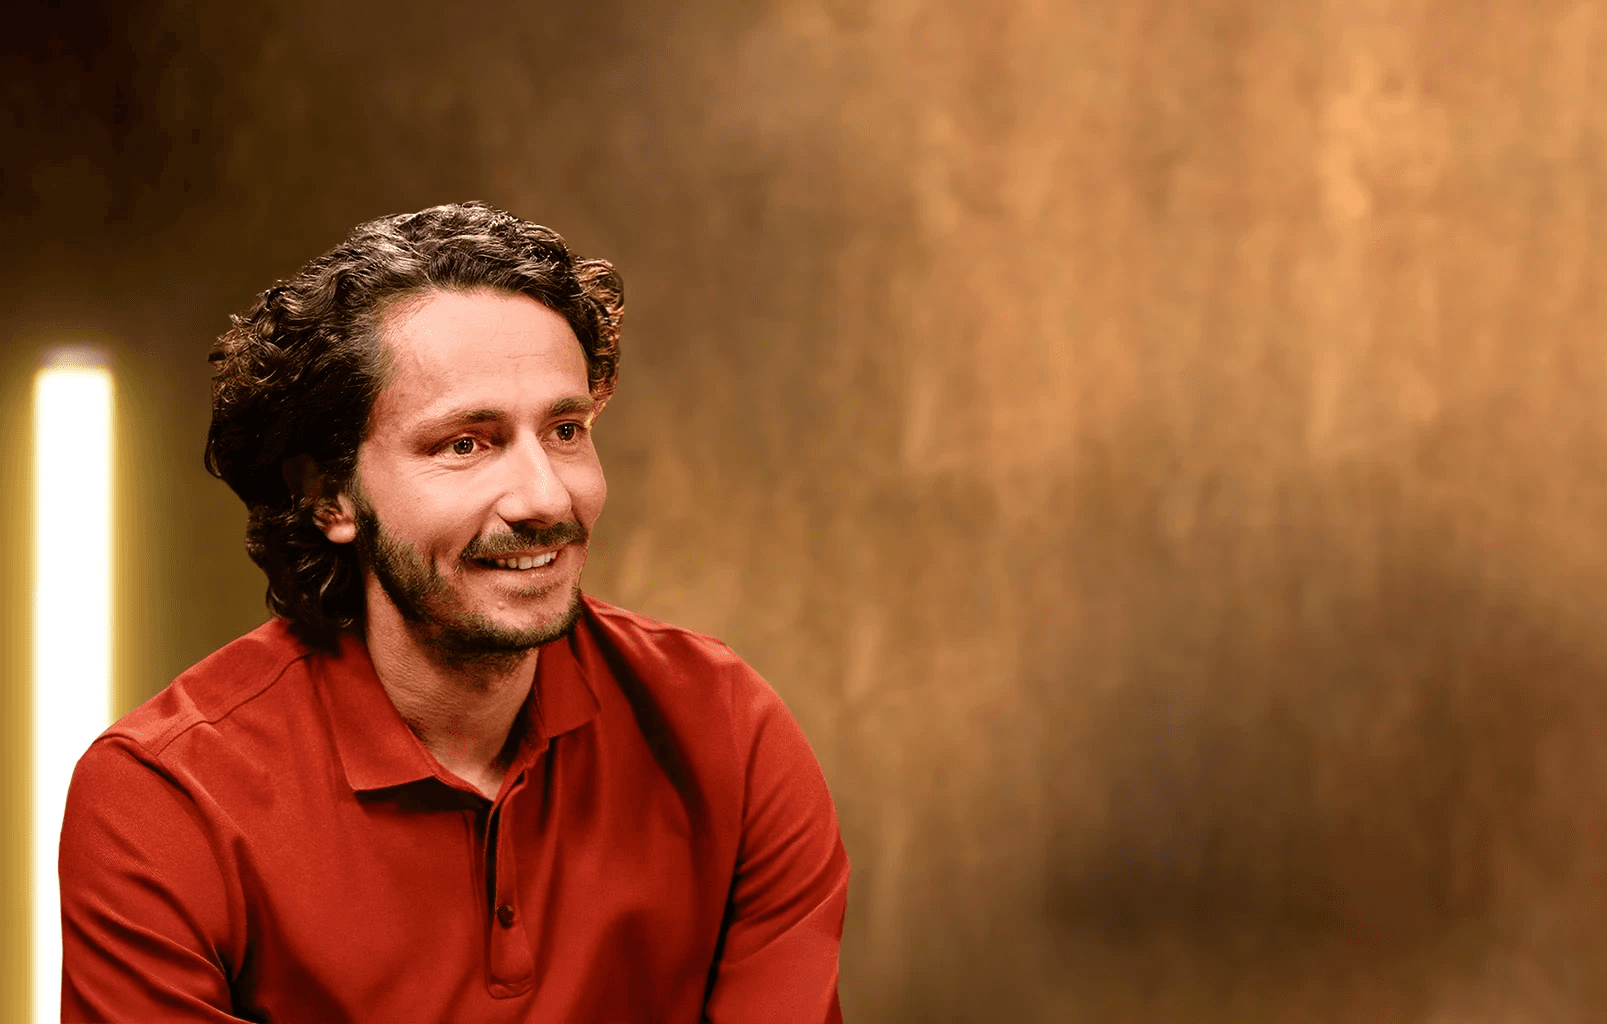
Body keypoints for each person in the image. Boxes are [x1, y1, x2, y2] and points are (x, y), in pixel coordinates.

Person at [57, 201, 850, 1022]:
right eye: (465, 443)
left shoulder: (725, 729)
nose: (547, 497)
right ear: (329, 494)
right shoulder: (164, 800)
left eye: (566, 429)